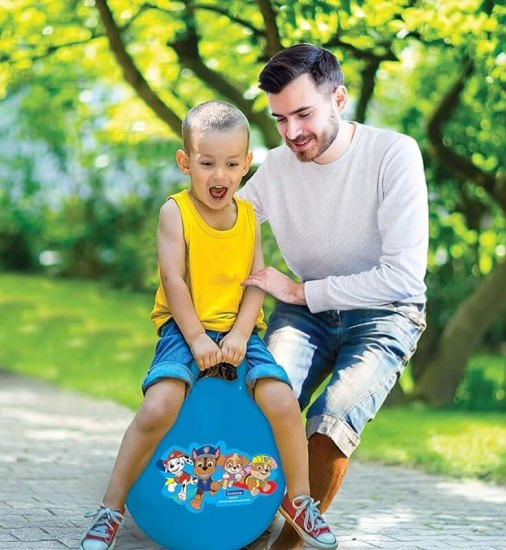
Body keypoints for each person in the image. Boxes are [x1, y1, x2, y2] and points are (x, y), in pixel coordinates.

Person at [80, 100, 337, 550]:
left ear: (246, 165)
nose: (220, 175)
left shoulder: (249, 219)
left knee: (281, 398)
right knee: (160, 405)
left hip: (239, 331)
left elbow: (256, 281)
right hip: (184, 330)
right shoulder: (175, 213)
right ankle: (110, 509)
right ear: (186, 162)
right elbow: (172, 279)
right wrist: (197, 338)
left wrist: (240, 334)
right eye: (207, 163)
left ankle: (298, 500)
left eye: (231, 164)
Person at [239, 43, 428, 549]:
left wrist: (300, 289)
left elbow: (404, 277)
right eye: (280, 120)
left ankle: (289, 543)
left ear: (339, 98)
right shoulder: (278, 167)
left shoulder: (393, 154)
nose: (293, 133)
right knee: (263, 401)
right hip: (305, 317)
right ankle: (237, 522)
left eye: (303, 113)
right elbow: (225, 227)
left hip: (386, 316)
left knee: (332, 417)